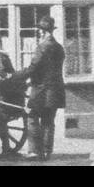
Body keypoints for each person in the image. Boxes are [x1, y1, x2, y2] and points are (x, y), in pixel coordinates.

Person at [12, 16, 66, 160]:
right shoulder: (59, 47)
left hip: (41, 90)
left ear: (42, 32)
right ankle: (47, 152)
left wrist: (15, 76)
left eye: (40, 31)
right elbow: (50, 69)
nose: (39, 33)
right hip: (56, 90)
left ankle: (35, 151)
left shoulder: (43, 47)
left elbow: (33, 68)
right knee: (48, 121)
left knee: (31, 117)